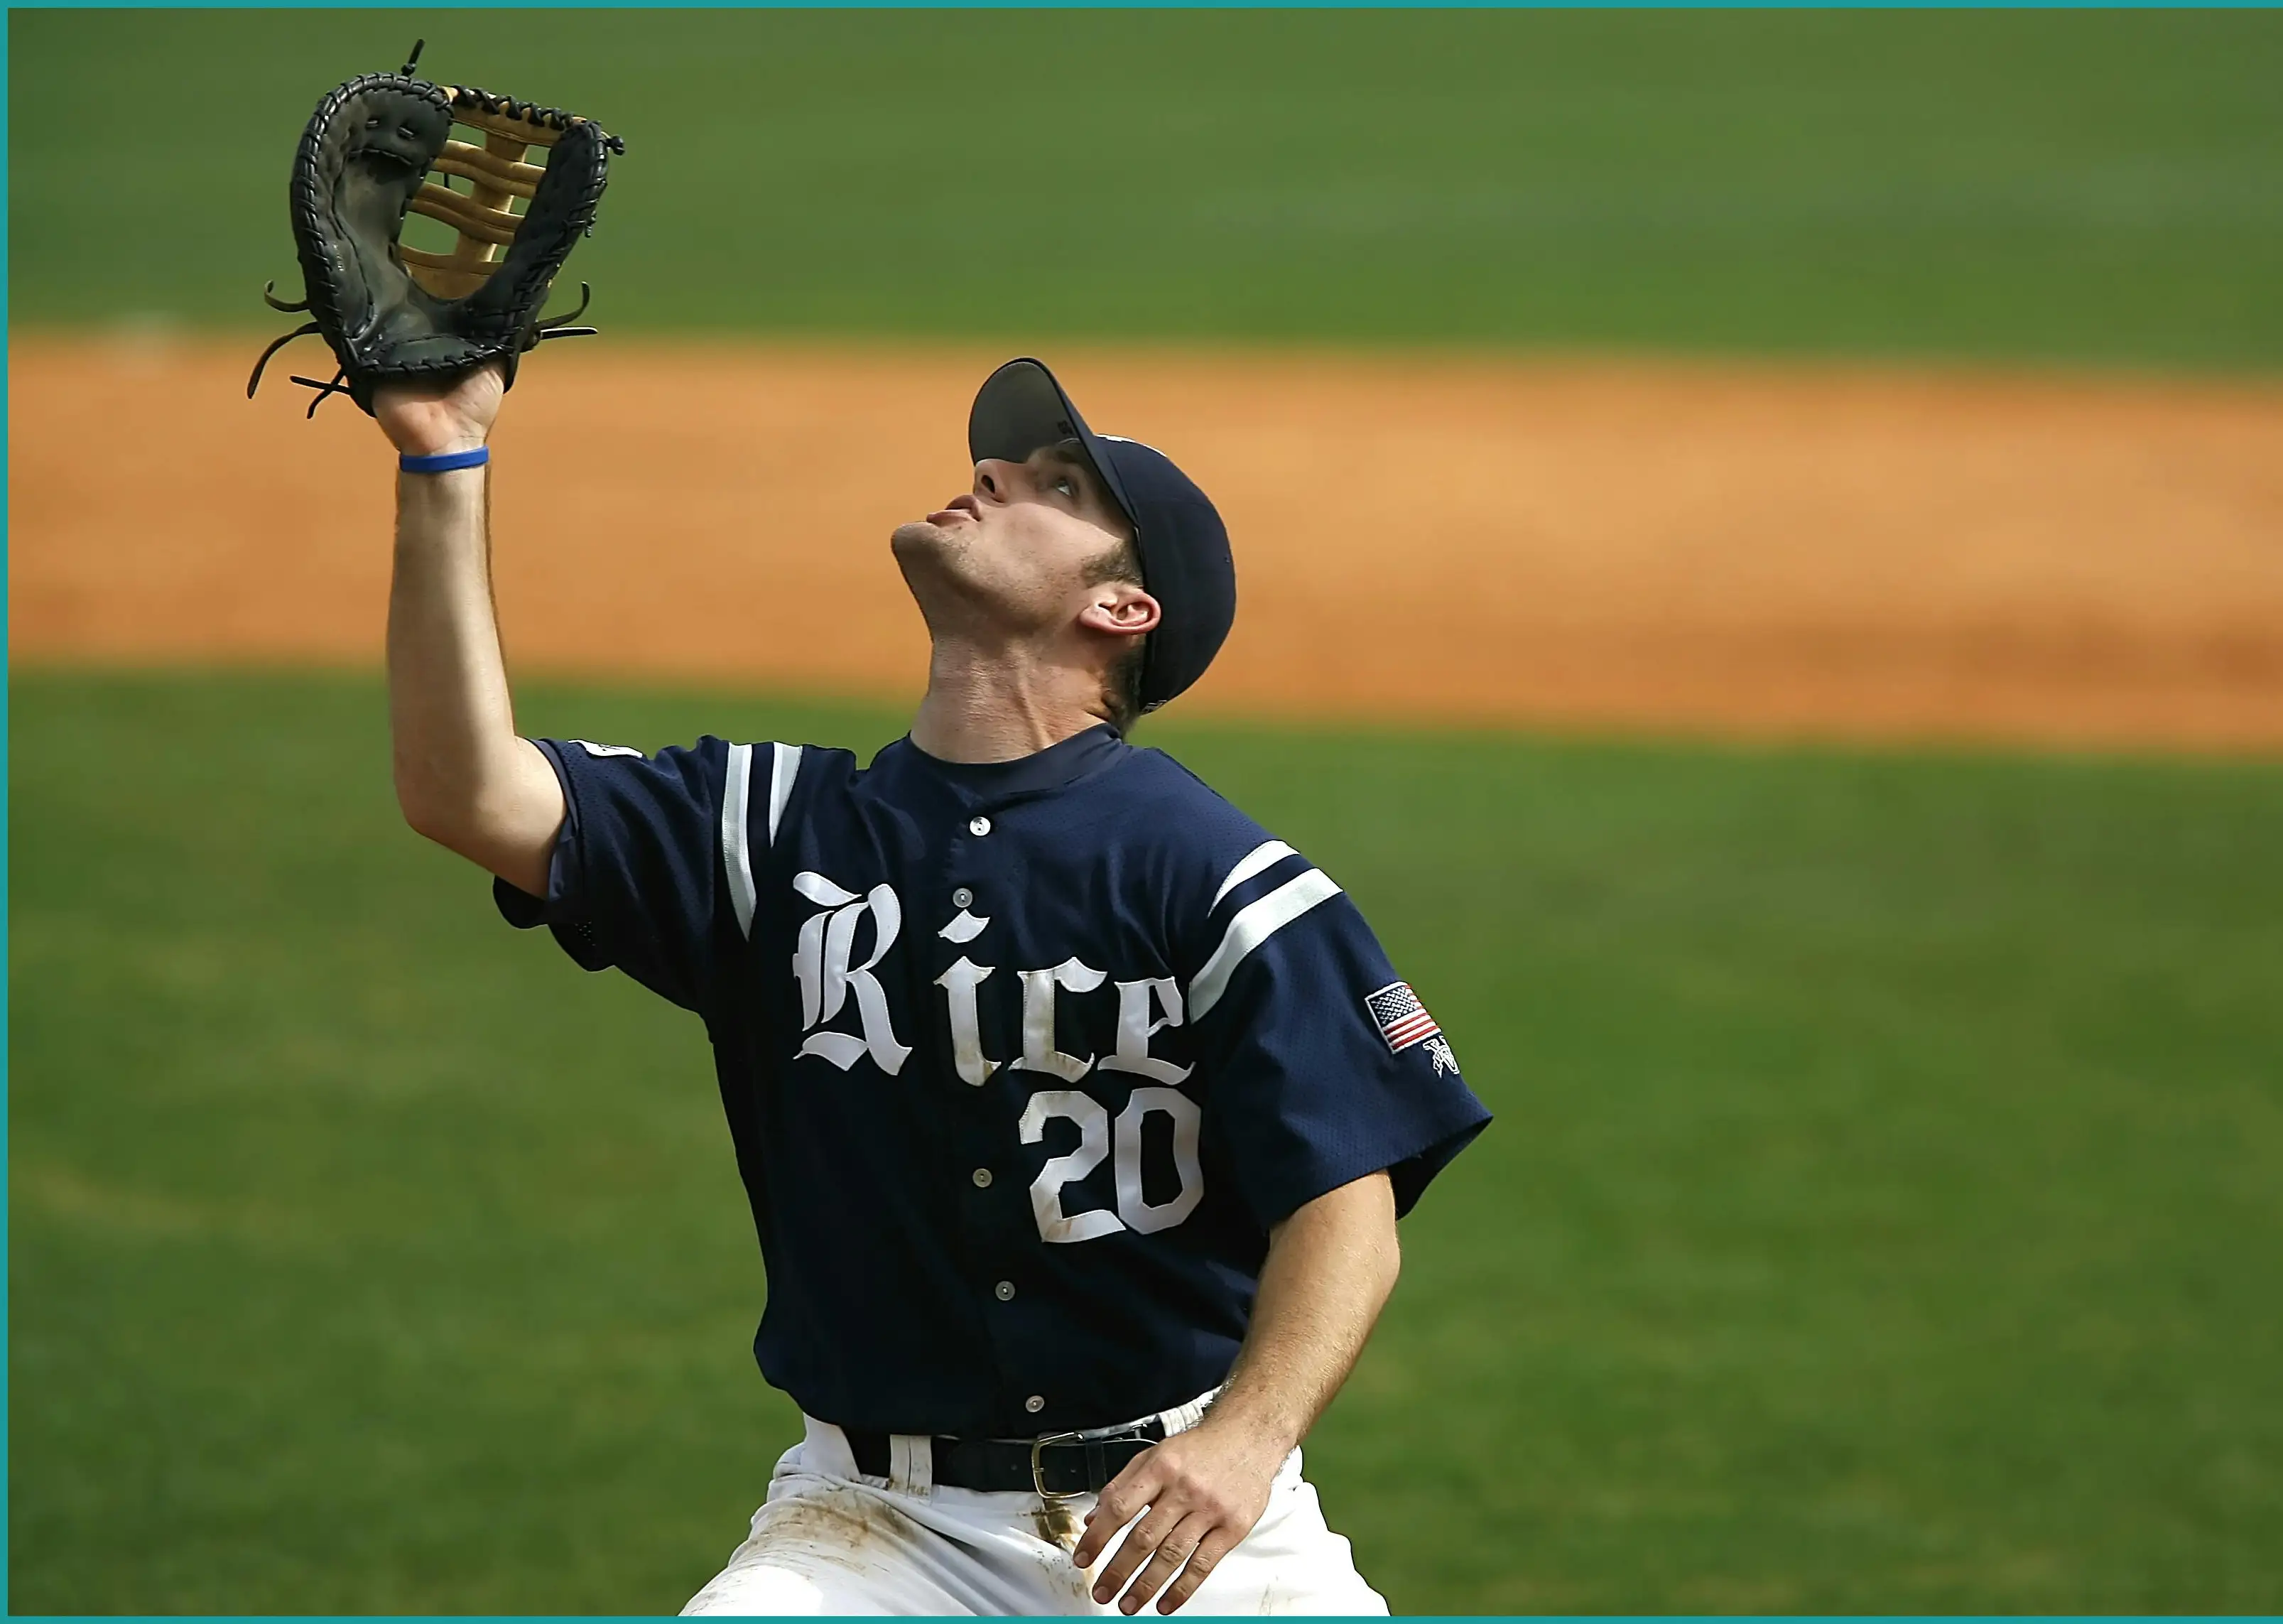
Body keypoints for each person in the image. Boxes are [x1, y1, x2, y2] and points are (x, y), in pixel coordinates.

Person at [372, 355, 1492, 1615]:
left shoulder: (1214, 877)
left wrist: (1245, 1439)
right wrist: (441, 454)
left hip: (1190, 1524)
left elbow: (1349, 1207)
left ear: (1123, 610)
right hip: (874, 1525)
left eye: (1056, 484)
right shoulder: (775, 834)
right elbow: (463, 790)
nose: (990, 474)